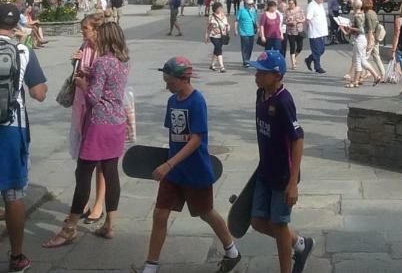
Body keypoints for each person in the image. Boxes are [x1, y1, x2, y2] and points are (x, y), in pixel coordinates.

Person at [132, 56, 240, 273]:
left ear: (183, 79)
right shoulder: (172, 101)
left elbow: (196, 139)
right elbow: (174, 134)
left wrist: (169, 164)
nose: (166, 85)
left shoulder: (197, 101)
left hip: (195, 170)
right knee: (160, 214)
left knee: (206, 212)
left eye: (170, 82)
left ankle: (232, 251)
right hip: (173, 172)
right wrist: (168, 163)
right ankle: (151, 266)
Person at [44, 21, 129, 247]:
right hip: (117, 122)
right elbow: (111, 86)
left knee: (83, 174)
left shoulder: (102, 62)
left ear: (106, 38)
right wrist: (89, 72)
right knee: (111, 174)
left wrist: (82, 83)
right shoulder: (121, 62)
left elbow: (93, 98)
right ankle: (110, 225)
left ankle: (69, 228)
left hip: (99, 124)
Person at [248, 50, 313, 273]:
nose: (256, 75)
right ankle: (300, 243)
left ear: (276, 75)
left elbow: (298, 139)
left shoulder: (284, 101)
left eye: (262, 72)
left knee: (279, 224)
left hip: (284, 175)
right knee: (257, 221)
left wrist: (293, 182)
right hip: (265, 170)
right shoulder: (260, 94)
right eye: (256, 71)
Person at [0, 2, 48, 273]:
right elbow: (39, 93)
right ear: (16, 23)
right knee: (13, 194)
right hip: (11, 127)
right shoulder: (24, 51)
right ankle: (17, 257)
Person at [70, 12, 107, 223]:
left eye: (85, 28)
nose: (82, 32)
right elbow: (77, 73)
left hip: (99, 110)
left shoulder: (104, 52)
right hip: (82, 105)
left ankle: (99, 203)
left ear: (96, 30)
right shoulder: (84, 47)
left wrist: (84, 77)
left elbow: (101, 82)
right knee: (83, 158)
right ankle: (82, 200)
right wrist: (74, 62)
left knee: (101, 161)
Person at [342, 0, 381, 87]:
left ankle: (355, 81)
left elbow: (360, 29)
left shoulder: (356, 16)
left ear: (353, 6)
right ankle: (376, 76)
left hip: (359, 39)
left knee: (358, 61)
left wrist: (350, 28)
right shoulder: (363, 14)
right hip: (363, 39)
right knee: (363, 60)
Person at [304, 0, 328, 74]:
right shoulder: (312, 6)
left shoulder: (321, 5)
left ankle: (309, 59)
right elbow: (308, 19)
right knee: (317, 51)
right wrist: (307, 29)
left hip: (322, 32)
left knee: (322, 50)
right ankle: (317, 67)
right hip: (314, 32)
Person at [362, 0, 386, 81]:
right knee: (376, 57)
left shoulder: (367, 14)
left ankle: (365, 74)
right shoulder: (373, 12)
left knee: (363, 58)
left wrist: (369, 42)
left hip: (370, 37)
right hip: (376, 36)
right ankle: (383, 74)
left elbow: (370, 29)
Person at [204, 1, 229, 73]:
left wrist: (227, 29)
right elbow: (208, 28)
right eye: (219, 8)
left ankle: (212, 65)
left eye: (221, 8)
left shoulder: (224, 16)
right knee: (219, 49)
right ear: (215, 9)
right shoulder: (211, 17)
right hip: (214, 36)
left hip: (222, 36)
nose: (221, 9)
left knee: (217, 50)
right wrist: (206, 37)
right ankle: (222, 66)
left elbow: (227, 25)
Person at [235, 0, 257, 67]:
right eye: (249, 4)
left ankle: (248, 60)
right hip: (243, 32)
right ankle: (245, 61)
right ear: (246, 4)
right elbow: (236, 20)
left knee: (250, 47)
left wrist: (258, 27)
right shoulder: (241, 10)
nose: (251, 5)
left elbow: (254, 20)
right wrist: (235, 30)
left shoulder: (253, 11)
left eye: (252, 4)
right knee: (245, 47)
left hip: (252, 32)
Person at [284, 0, 305, 70]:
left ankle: (294, 56)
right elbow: (284, 21)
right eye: (289, 3)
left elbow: (303, 18)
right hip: (291, 31)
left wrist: (297, 21)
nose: (290, 5)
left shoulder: (299, 9)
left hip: (299, 30)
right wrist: (289, 22)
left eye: (292, 3)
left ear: (295, 3)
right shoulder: (287, 11)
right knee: (292, 46)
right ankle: (293, 63)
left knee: (300, 47)